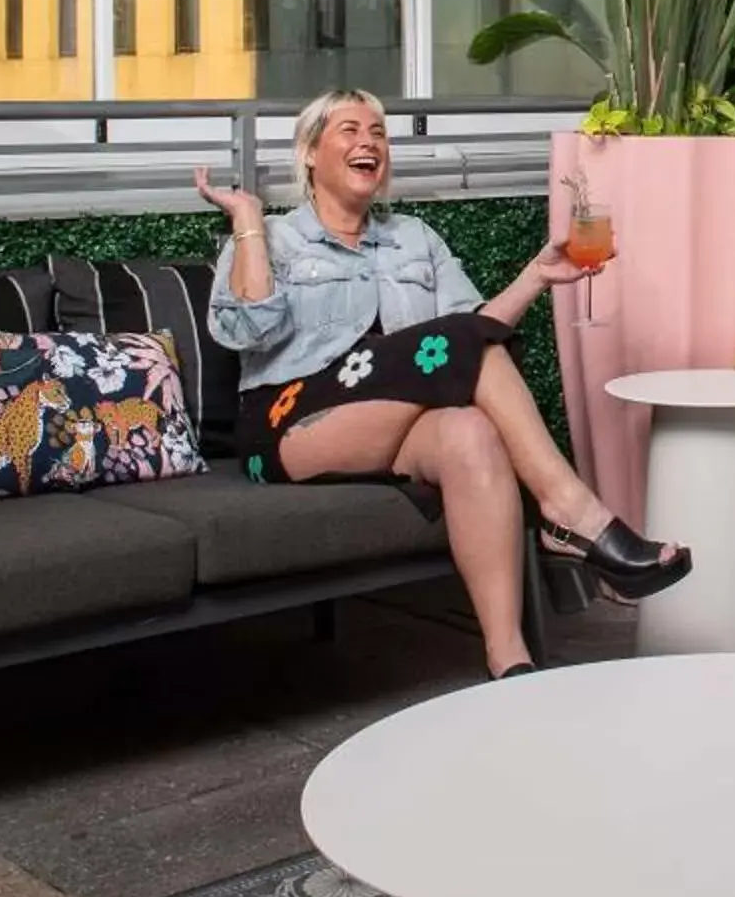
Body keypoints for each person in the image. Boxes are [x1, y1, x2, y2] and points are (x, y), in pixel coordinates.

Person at [196, 88, 690, 680]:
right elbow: (247, 328)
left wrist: (536, 276)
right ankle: (571, 512)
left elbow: (474, 338)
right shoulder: (275, 238)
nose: (368, 142)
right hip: (290, 423)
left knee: (469, 429)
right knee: (455, 348)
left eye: (378, 133)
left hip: (386, 415)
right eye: (349, 130)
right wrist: (249, 219)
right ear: (309, 153)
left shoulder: (415, 238)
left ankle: (509, 660)